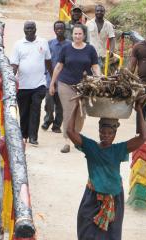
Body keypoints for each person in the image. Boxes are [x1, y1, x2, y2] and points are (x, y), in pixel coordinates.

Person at [65, 98, 146, 240]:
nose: (105, 135)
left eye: (109, 132)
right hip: (92, 196)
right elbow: (70, 131)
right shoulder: (91, 147)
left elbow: (143, 137)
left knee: (104, 238)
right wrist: (77, 106)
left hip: (112, 198)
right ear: (99, 131)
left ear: (114, 134)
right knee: (85, 233)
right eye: (102, 131)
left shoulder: (119, 150)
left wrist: (139, 110)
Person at [49, 24, 101, 153]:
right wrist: (52, 83)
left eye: (80, 34)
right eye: (75, 34)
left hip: (84, 86)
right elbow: (58, 67)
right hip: (66, 84)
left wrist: (99, 78)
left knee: (81, 114)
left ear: (84, 35)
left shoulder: (90, 49)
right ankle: (67, 141)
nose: (77, 36)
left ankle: (75, 136)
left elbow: (95, 66)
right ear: (71, 35)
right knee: (69, 111)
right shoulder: (66, 48)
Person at [11, 21, 52, 146]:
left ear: (35, 29)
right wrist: (10, 80)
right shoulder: (18, 45)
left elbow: (48, 61)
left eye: (32, 28)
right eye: (27, 28)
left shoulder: (43, 42)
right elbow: (14, 65)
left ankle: (33, 137)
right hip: (23, 85)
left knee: (35, 109)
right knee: (24, 112)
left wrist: (53, 79)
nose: (29, 30)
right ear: (24, 30)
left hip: (39, 85)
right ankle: (24, 135)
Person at [42, 21, 70, 133]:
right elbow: (45, 59)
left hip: (64, 79)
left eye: (61, 28)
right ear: (54, 30)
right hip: (50, 78)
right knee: (49, 101)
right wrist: (44, 72)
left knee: (61, 105)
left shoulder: (69, 44)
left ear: (65, 30)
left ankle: (57, 125)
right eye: (57, 29)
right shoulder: (50, 44)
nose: (59, 30)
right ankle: (48, 119)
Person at [86, 4, 115, 70]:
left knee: (100, 72)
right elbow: (85, 38)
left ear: (104, 12)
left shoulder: (108, 25)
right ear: (95, 12)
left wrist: (112, 50)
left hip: (102, 54)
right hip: (90, 53)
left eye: (101, 11)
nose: (99, 12)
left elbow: (112, 38)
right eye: (97, 10)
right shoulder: (88, 23)